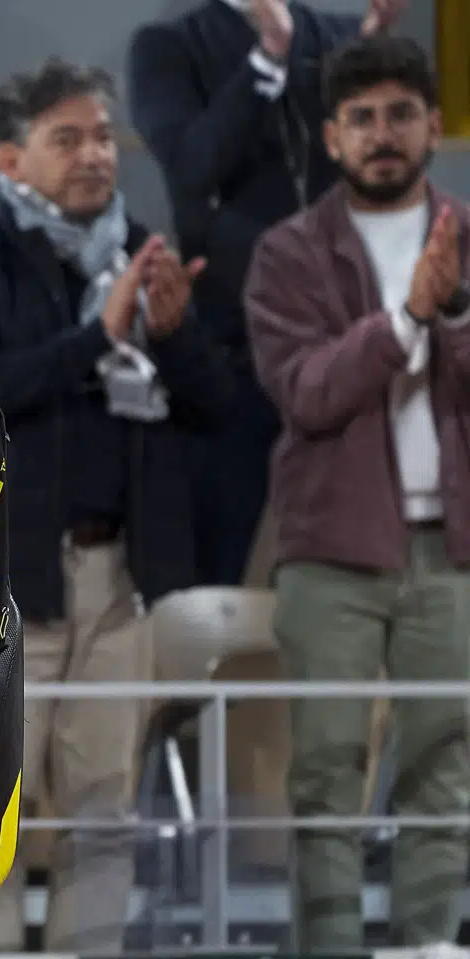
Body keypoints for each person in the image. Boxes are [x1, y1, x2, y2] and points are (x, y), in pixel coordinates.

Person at [0, 59, 231, 954]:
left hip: (122, 575)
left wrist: (175, 337)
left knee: (106, 811)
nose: (96, 154)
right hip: (2, 578)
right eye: (68, 139)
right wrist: (100, 335)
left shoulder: (143, 256)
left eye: (102, 136)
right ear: (11, 160)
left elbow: (217, 411)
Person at [244, 35, 470, 952]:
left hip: (454, 552)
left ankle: (429, 946)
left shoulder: (467, 240)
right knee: (326, 776)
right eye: (363, 119)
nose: (383, 135)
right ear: (333, 136)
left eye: (401, 115)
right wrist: (407, 317)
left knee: (446, 770)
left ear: (434, 126)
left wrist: (453, 311)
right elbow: (307, 391)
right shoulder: (288, 253)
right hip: (332, 551)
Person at [128, 0, 406, 586]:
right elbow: (192, 165)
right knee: (220, 560)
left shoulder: (338, 34)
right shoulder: (169, 46)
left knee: (351, 559)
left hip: (340, 339)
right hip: (232, 342)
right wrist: (268, 57)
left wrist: (374, 51)